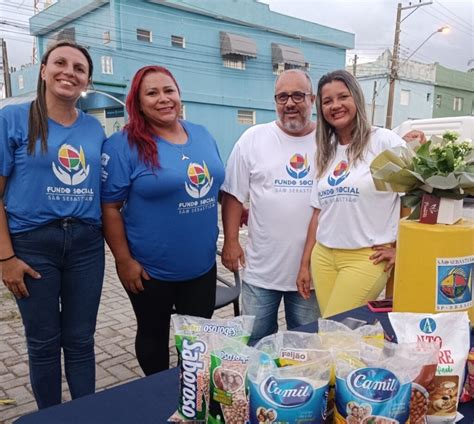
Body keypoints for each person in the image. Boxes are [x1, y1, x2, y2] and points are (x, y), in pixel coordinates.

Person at [0, 41, 105, 409]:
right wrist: (5, 258)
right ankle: (51, 417)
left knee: (80, 340)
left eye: (79, 68)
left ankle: (85, 414)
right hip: (32, 244)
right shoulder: (13, 119)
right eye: (60, 62)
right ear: (43, 70)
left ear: (86, 80)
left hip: (86, 245)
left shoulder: (95, 129)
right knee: (43, 343)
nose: (69, 72)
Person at [101, 65, 225, 375]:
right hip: (149, 270)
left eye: (168, 91)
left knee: (196, 341)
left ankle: (191, 398)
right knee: (153, 336)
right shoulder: (123, 145)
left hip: (201, 265)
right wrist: (123, 260)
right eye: (152, 93)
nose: (163, 99)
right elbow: (110, 206)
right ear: (138, 102)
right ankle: (156, 396)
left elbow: (216, 184)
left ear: (179, 95)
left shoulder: (202, 134)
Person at [296, 69, 408, 318]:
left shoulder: (385, 142)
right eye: (327, 101)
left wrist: (401, 249)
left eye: (342, 97)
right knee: (336, 331)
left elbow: (413, 198)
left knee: (337, 332)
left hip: (365, 259)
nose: (335, 105)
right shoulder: (326, 152)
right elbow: (318, 212)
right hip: (324, 256)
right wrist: (304, 265)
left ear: (356, 98)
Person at [221, 69, 320, 345]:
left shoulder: (329, 140)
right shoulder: (253, 138)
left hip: (311, 273)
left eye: (298, 95)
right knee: (254, 343)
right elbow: (232, 195)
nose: (290, 103)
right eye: (282, 97)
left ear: (311, 99)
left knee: (306, 345)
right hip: (261, 271)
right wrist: (230, 242)